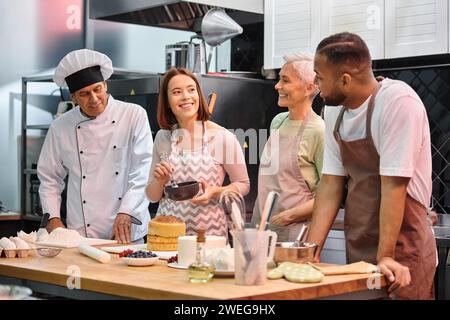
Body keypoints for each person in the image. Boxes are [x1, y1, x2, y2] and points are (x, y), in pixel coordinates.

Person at [307, 32, 436, 299]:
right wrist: (310, 249)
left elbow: (393, 186)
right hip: (360, 246)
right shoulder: (334, 110)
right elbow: (331, 183)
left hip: (402, 249)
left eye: (319, 77)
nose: (315, 83)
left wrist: (386, 256)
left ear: (345, 80)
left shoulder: (397, 102)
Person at [38, 49, 153, 244]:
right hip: (81, 235)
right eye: (84, 94)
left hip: (127, 231)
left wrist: (126, 211)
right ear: (73, 97)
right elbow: (49, 177)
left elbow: (143, 170)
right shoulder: (61, 126)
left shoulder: (134, 115)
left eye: (97, 89)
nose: (93, 98)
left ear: (105, 85)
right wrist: (54, 219)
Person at [145, 68, 250, 237]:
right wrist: (159, 181)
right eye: (177, 92)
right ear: (167, 101)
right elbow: (152, 196)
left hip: (208, 233)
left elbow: (243, 184)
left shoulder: (223, 138)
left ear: (198, 95)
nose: (186, 96)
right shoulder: (162, 137)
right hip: (167, 235)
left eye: (191, 89)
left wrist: (215, 191)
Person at [251, 53, 324, 242]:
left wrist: (287, 217)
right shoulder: (277, 122)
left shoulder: (318, 131)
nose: (277, 86)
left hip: (296, 233)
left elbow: (328, 197)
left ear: (309, 87)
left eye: (285, 80)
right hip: (262, 225)